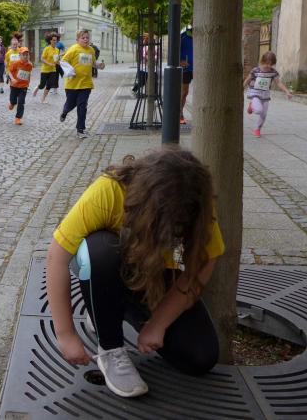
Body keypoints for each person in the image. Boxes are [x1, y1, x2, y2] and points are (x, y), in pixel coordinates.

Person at [46, 149, 224, 398]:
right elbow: (56, 258)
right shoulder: (109, 190)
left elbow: (201, 268)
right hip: (106, 266)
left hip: (156, 275)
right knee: (100, 249)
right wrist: (65, 334)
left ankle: (115, 309)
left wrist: (158, 323)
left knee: (200, 357)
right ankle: (110, 348)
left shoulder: (196, 202)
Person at [60, 29, 104, 139]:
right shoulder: (73, 49)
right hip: (72, 84)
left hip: (86, 84)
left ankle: (80, 129)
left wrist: (99, 65)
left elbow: (93, 63)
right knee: (70, 104)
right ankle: (65, 112)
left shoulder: (91, 50)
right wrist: (70, 71)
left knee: (82, 106)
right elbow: (63, 61)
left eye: (87, 37)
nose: (85, 39)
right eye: (83, 38)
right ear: (77, 39)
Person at [243, 51, 292, 138]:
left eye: (271, 64)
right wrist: (242, 88)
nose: (268, 66)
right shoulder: (255, 70)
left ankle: (257, 129)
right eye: (266, 63)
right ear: (262, 61)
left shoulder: (273, 72)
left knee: (263, 114)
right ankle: (252, 105)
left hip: (265, 95)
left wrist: (287, 91)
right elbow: (248, 80)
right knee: (258, 110)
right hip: (255, 93)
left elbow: (278, 83)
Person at [7, 46, 33, 125]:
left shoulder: (30, 65)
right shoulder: (15, 63)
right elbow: (9, 72)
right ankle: (12, 103)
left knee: (21, 102)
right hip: (14, 85)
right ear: (20, 55)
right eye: (23, 55)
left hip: (23, 86)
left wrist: (28, 83)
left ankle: (18, 118)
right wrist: (12, 79)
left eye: (27, 55)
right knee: (13, 100)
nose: (25, 56)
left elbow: (28, 74)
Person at [33, 33, 60, 102]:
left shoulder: (57, 50)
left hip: (53, 70)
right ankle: (37, 88)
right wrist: (49, 64)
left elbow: (56, 60)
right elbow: (42, 59)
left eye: (56, 40)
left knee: (49, 85)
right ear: (50, 41)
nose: (55, 41)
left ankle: (43, 99)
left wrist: (60, 62)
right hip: (45, 70)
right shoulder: (47, 49)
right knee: (42, 85)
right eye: (53, 40)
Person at [179, 28, 194, 124]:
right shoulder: (183, 36)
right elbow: (174, 49)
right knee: (184, 92)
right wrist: (180, 61)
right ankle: (179, 113)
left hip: (199, 68)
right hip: (186, 68)